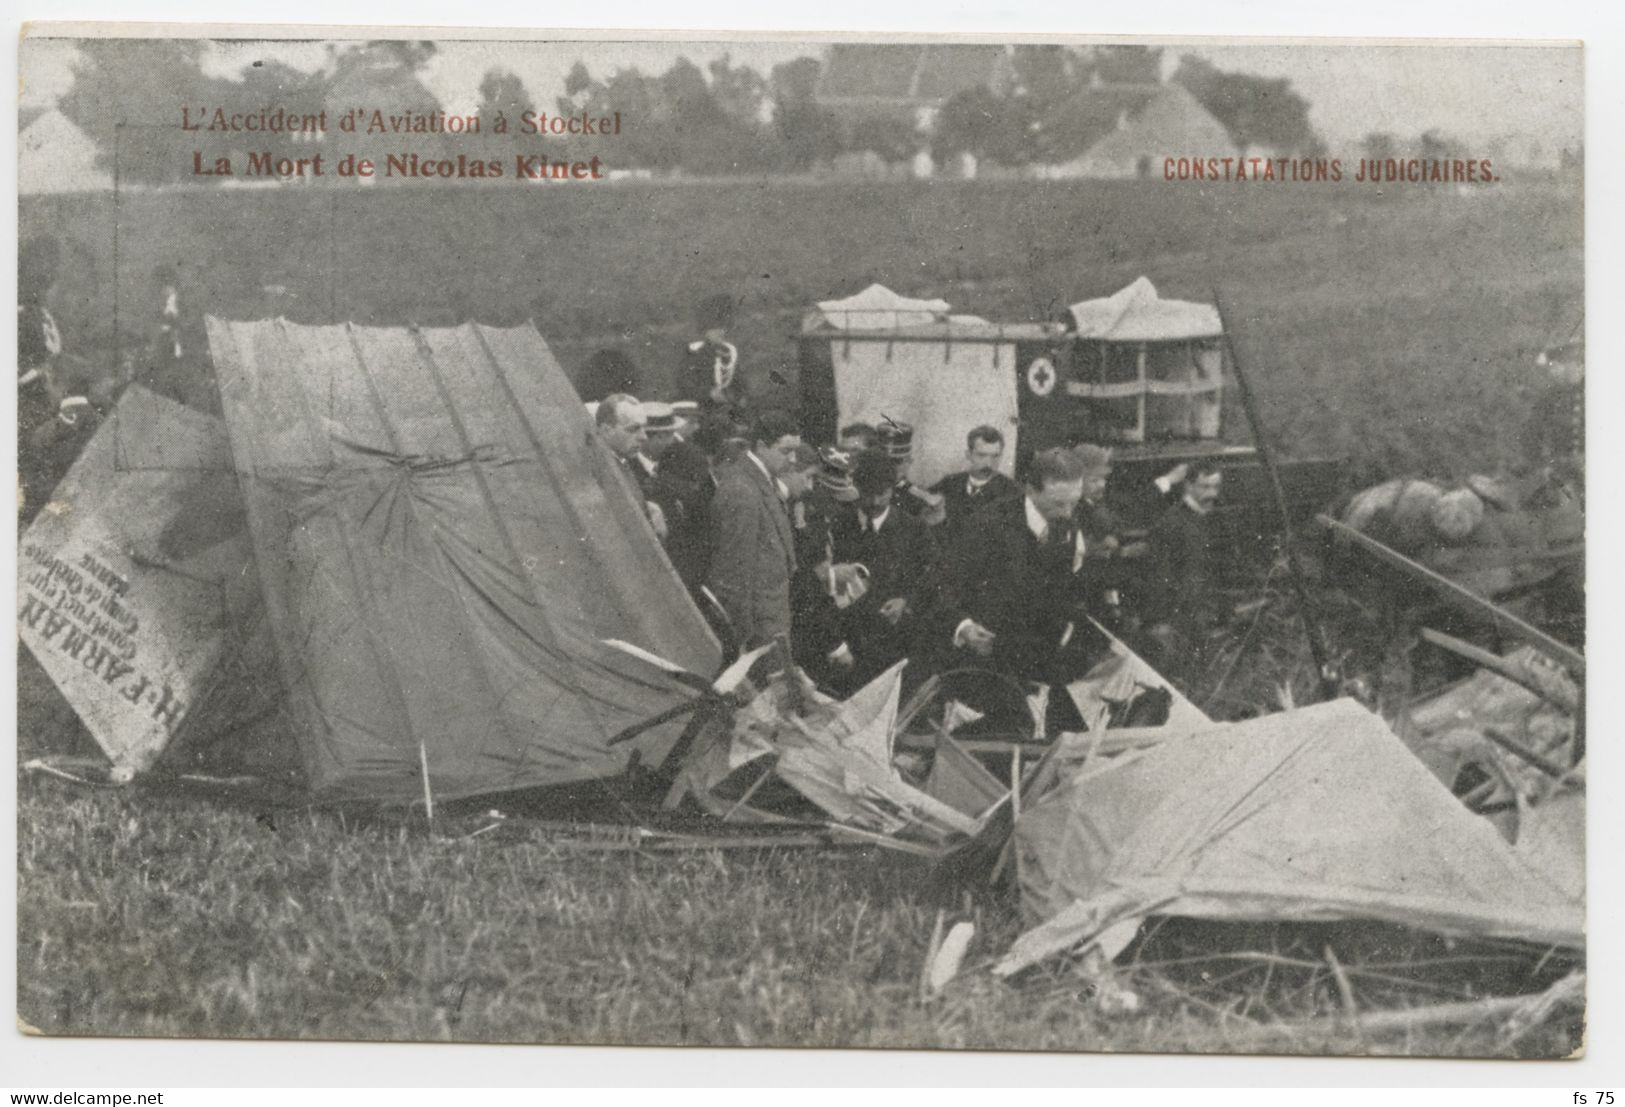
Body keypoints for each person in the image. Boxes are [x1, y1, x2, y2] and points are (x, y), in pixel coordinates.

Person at [933, 447, 1111, 731]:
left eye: (1073, 503)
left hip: (1040, 656)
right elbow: (945, 583)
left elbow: (1071, 589)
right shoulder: (986, 525)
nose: (1067, 513)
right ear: (1031, 489)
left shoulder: (1069, 528)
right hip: (988, 656)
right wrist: (963, 626)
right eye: (1057, 504)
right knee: (1010, 731)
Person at [830, 449, 939, 689]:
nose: (876, 502)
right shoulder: (839, 526)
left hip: (897, 642)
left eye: (883, 494)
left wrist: (906, 601)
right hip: (851, 641)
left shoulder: (914, 529)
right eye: (868, 495)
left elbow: (933, 575)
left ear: (892, 489)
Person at [704, 411, 802, 651]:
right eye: (785, 450)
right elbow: (734, 569)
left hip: (771, 618)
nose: (792, 459)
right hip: (758, 628)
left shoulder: (759, 480)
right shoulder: (742, 490)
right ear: (761, 446)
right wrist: (742, 635)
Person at [1141, 460, 1224, 677]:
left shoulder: (1206, 518)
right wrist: (1161, 618)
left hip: (1199, 612)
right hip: (1177, 616)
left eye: (1215, 487)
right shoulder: (1172, 523)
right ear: (1188, 486)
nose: (1211, 493)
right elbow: (1160, 574)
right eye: (1205, 487)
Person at [594, 394, 667, 541]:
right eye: (633, 429)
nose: (644, 437)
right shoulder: (597, 471)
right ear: (606, 430)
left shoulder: (622, 462)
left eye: (643, 428)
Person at [929, 424, 1019, 538]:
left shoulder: (1013, 492)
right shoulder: (950, 483)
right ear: (969, 455)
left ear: (1001, 456)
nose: (989, 463)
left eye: (995, 456)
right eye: (982, 455)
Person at [678, 293, 746, 420]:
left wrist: (733, 398)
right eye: (715, 329)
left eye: (723, 328)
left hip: (728, 410)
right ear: (706, 332)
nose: (721, 332)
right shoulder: (694, 352)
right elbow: (685, 384)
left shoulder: (730, 353)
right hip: (702, 409)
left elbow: (740, 384)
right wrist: (708, 394)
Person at [875, 420, 947, 525]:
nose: (890, 467)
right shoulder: (862, 491)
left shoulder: (917, 499)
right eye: (884, 461)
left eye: (896, 462)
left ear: (909, 462)